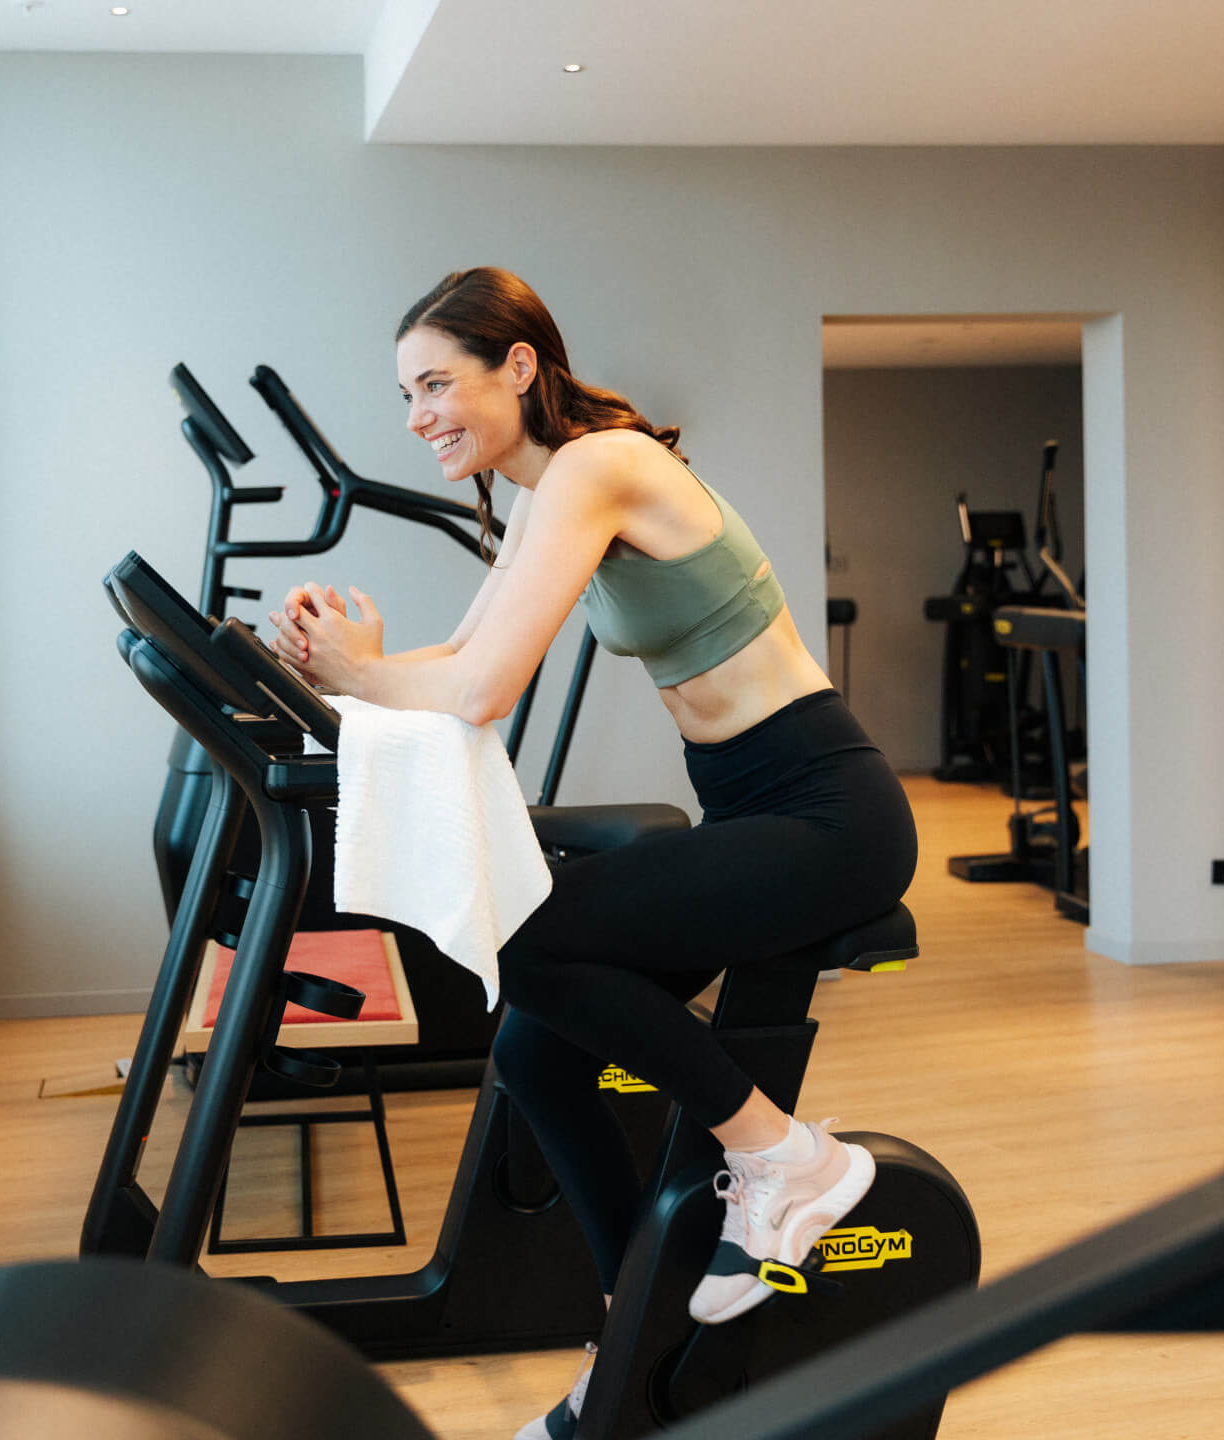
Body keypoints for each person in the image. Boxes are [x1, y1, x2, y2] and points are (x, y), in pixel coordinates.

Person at [267, 268, 918, 1440]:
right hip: (755, 808)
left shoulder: (597, 464)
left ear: (517, 366)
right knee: (536, 1047)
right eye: (405, 396)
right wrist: (331, 670)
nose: (419, 416)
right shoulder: (545, 495)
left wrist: (363, 675)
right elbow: (458, 660)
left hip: (828, 813)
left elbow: (482, 689)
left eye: (435, 384)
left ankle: (786, 1160)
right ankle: (641, 1330)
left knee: (528, 943)